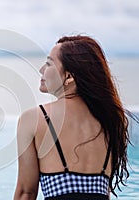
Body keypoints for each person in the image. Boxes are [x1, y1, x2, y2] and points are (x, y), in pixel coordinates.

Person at [14, 35, 137, 200]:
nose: (41, 69)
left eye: (49, 63)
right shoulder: (112, 121)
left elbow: (26, 193)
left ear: (69, 77)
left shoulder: (35, 119)